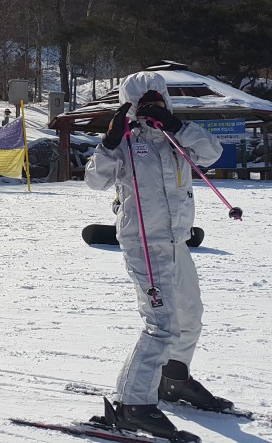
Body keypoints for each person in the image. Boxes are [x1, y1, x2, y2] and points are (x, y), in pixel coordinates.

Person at [85, 71, 225, 441]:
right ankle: (132, 405)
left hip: (177, 242)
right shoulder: (125, 142)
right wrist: (109, 142)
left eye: (157, 100)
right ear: (129, 105)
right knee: (161, 324)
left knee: (190, 316)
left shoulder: (176, 138)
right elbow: (95, 181)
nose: (151, 107)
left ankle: (173, 380)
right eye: (143, 101)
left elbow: (213, 153)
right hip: (144, 245)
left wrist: (177, 125)